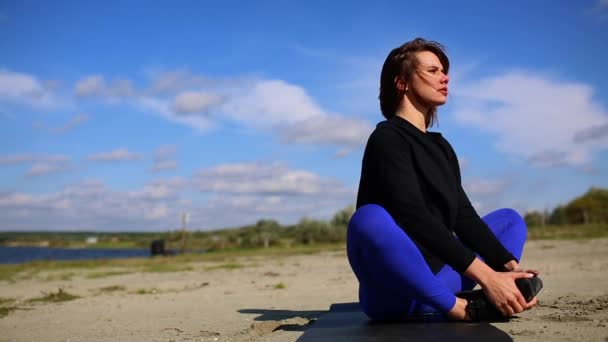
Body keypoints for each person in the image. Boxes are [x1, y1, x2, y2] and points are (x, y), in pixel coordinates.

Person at [346, 38, 541, 322]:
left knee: (510, 220)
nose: (444, 77)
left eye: (444, 71)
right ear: (402, 83)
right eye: (433, 71)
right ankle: (459, 308)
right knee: (367, 219)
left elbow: (463, 216)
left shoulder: (442, 147)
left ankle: (476, 293)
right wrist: (486, 276)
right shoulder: (386, 139)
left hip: (440, 280)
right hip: (393, 290)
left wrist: (510, 271)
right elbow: (412, 216)